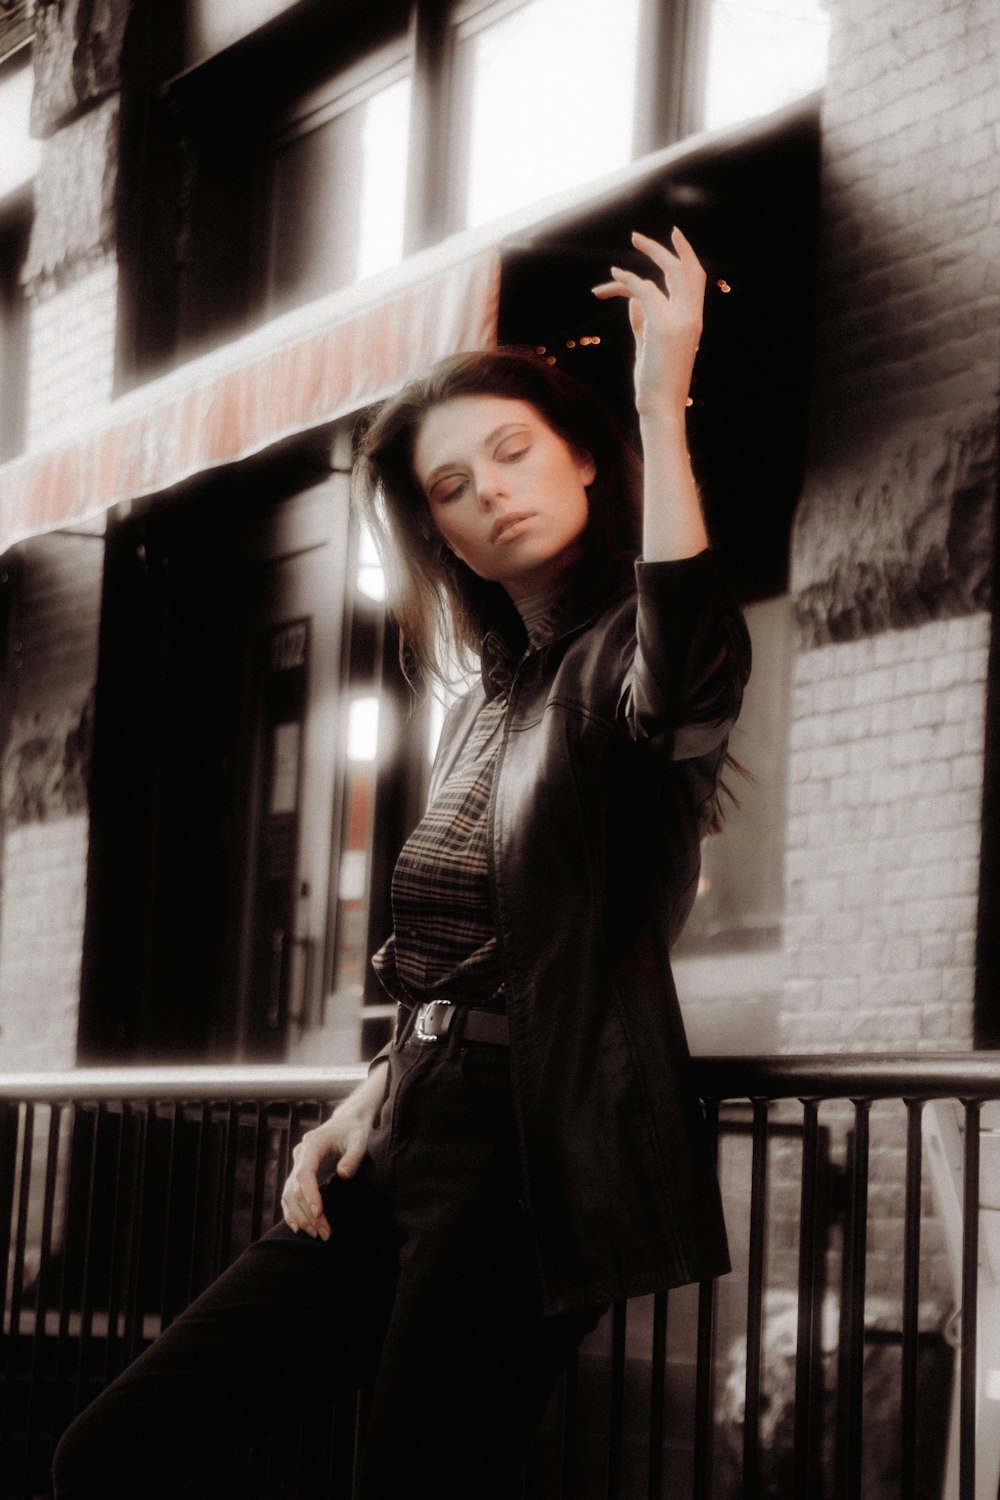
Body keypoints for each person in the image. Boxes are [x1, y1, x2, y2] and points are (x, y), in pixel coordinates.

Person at [52, 228, 750, 1498]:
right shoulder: (490, 692)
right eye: (448, 488)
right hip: (409, 1132)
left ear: (585, 457)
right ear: (442, 540)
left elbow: (691, 653)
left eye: (512, 450)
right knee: (112, 1450)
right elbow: (473, 942)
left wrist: (662, 393)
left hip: (522, 1159)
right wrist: (375, 1090)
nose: (487, 490)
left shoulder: (630, 668)